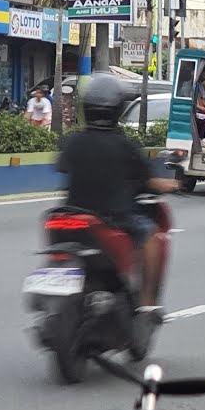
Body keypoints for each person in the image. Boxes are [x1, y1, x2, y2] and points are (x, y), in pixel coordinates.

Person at [56, 73, 179, 314]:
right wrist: (173, 185)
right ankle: (146, 304)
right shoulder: (124, 145)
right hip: (113, 217)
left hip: (71, 212)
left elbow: (62, 167)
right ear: (118, 109)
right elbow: (150, 181)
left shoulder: (72, 142)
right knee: (153, 236)